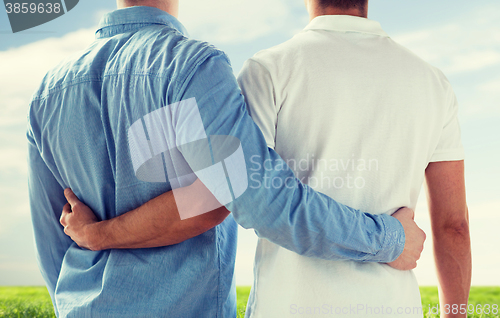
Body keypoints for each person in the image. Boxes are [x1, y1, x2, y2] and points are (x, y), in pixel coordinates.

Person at [28, 0, 426, 317]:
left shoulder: (45, 95)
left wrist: (97, 240)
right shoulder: (187, 67)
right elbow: (248, 199)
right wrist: (389, 239)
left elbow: (53, 244)